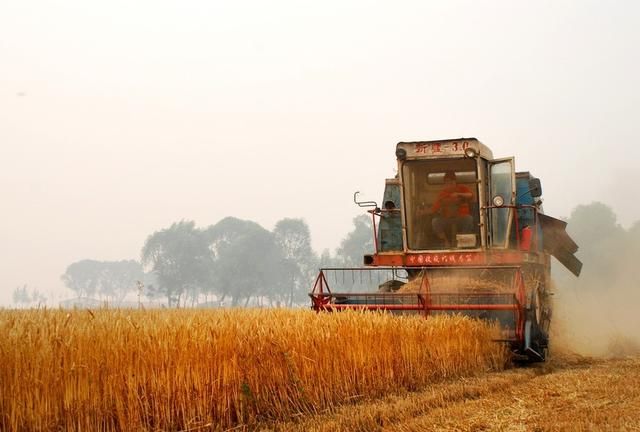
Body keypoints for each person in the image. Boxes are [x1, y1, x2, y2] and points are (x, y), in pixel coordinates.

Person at [430, 171, 474, 246]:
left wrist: (459, 194)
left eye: (451, 182)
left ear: (455, 182)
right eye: (447, 183)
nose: (449, 185)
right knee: (435, 222)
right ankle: (445, 241)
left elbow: (471, 195)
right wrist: (424, 212)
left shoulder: (462, 188)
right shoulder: (442, 194)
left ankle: (462, 241)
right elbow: (434, 209)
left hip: (461, 218)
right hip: (447, 219)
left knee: (469, 219)